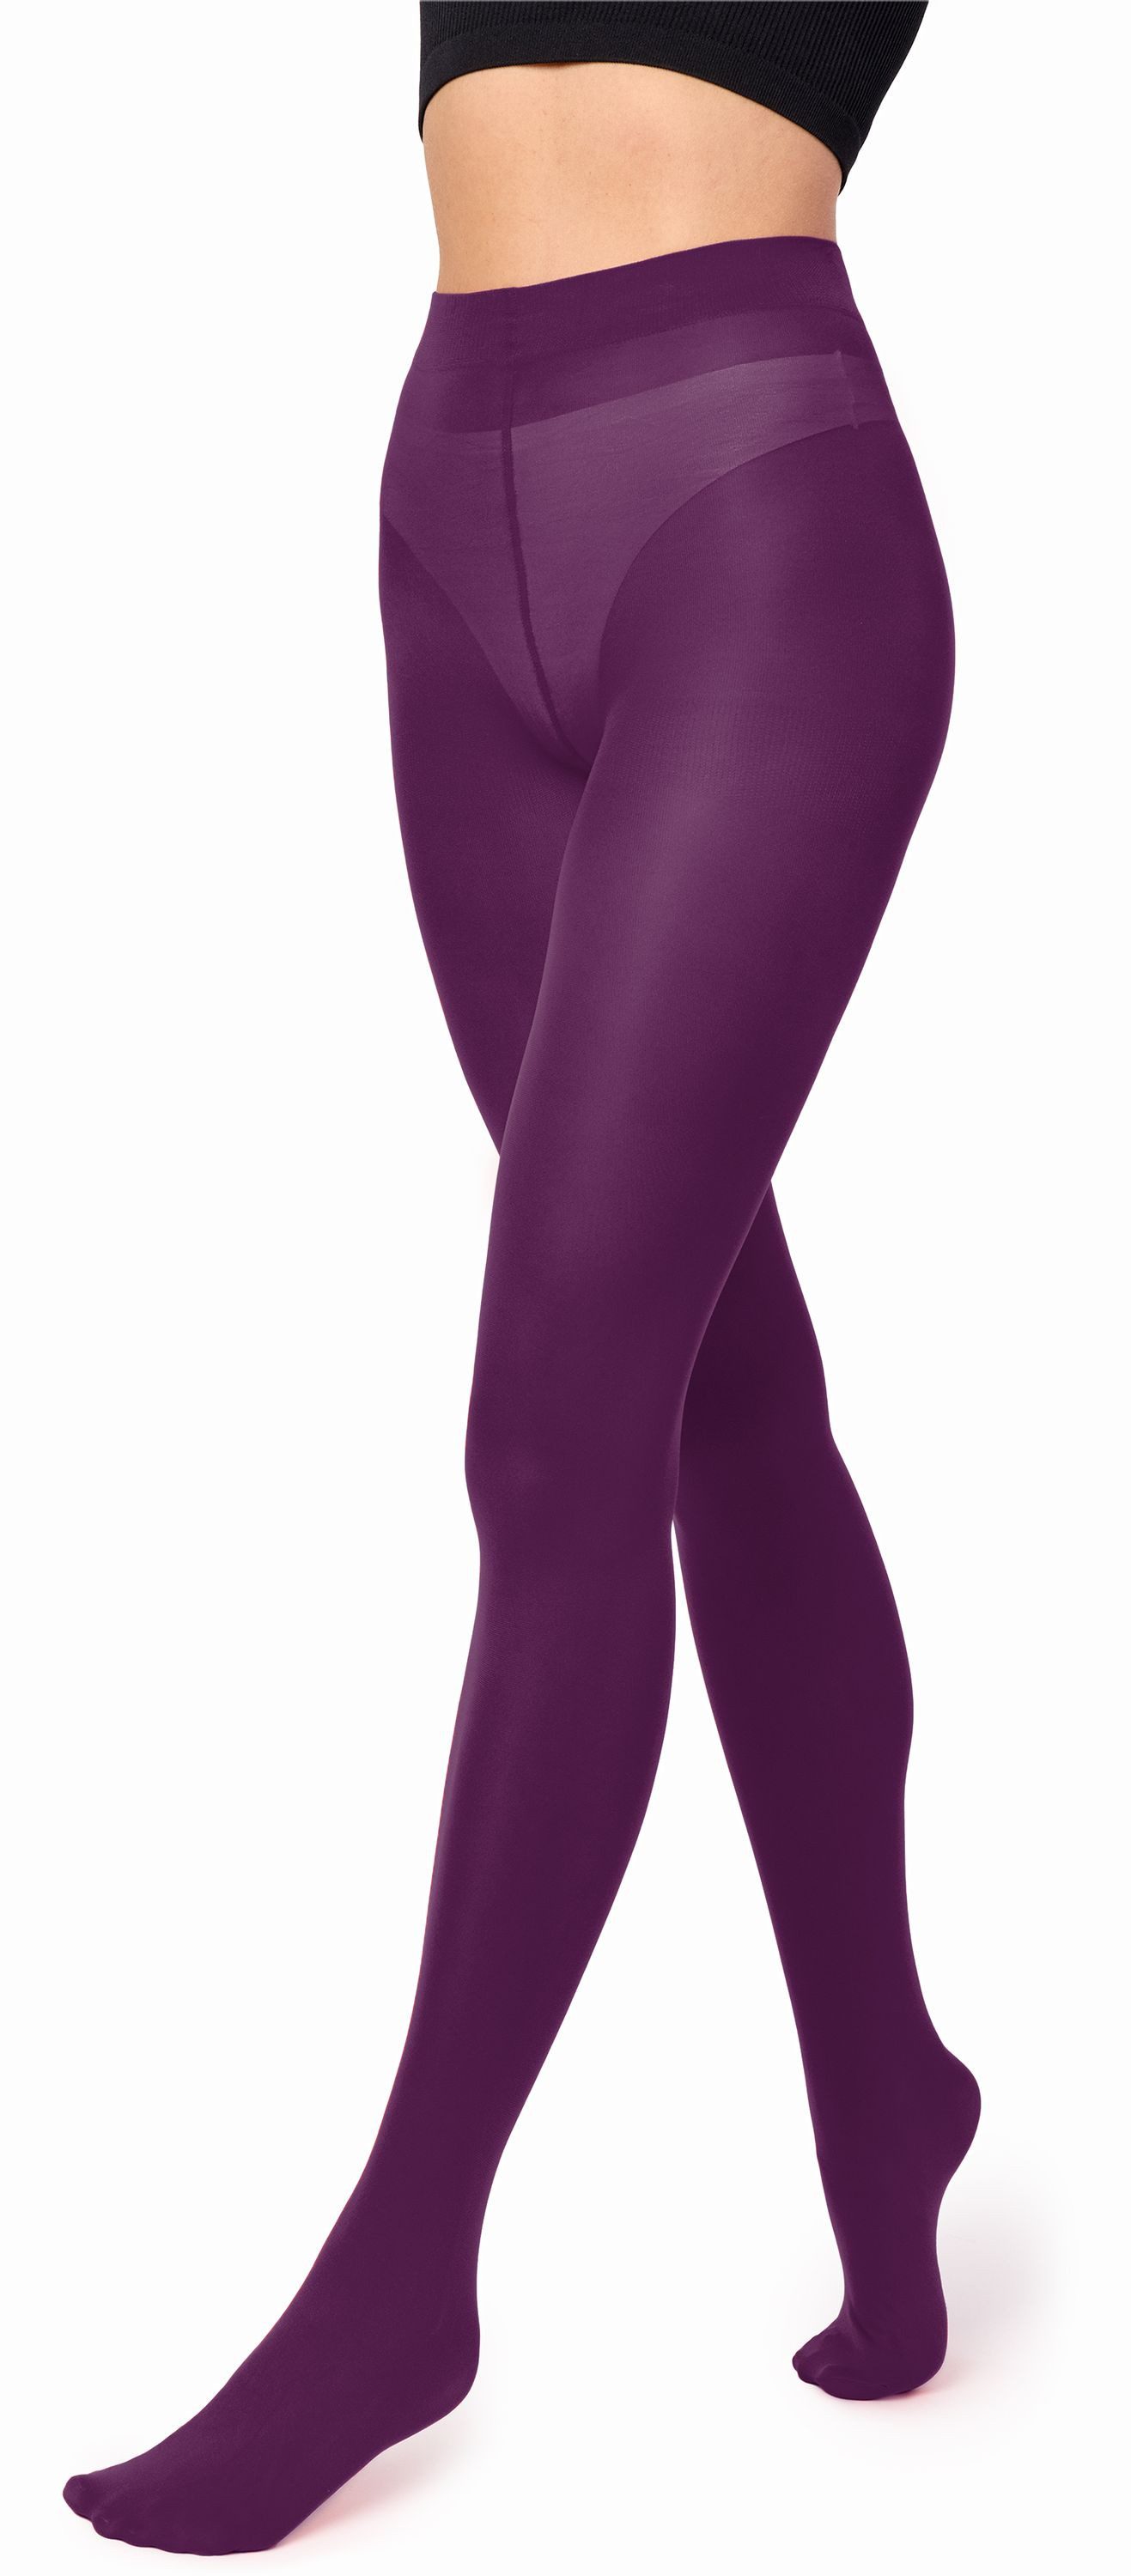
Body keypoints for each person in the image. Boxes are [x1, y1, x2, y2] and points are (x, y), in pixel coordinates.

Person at [64, 5, 979, 2553]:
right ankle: (886, 2089)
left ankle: (404, 2277)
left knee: (553, 1425)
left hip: (757, 521)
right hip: (446, 518)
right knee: (711, 1394)